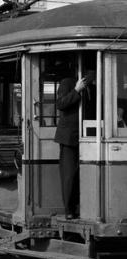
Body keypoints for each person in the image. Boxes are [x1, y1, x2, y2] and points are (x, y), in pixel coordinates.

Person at [55, 74, 89, 219]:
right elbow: (61, 104)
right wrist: (76, 90)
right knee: (69, 174)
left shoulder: (93, 85)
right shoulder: (67, 81)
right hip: (69, 137)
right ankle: (69, 209)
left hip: (89, 135)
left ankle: (82, 207)